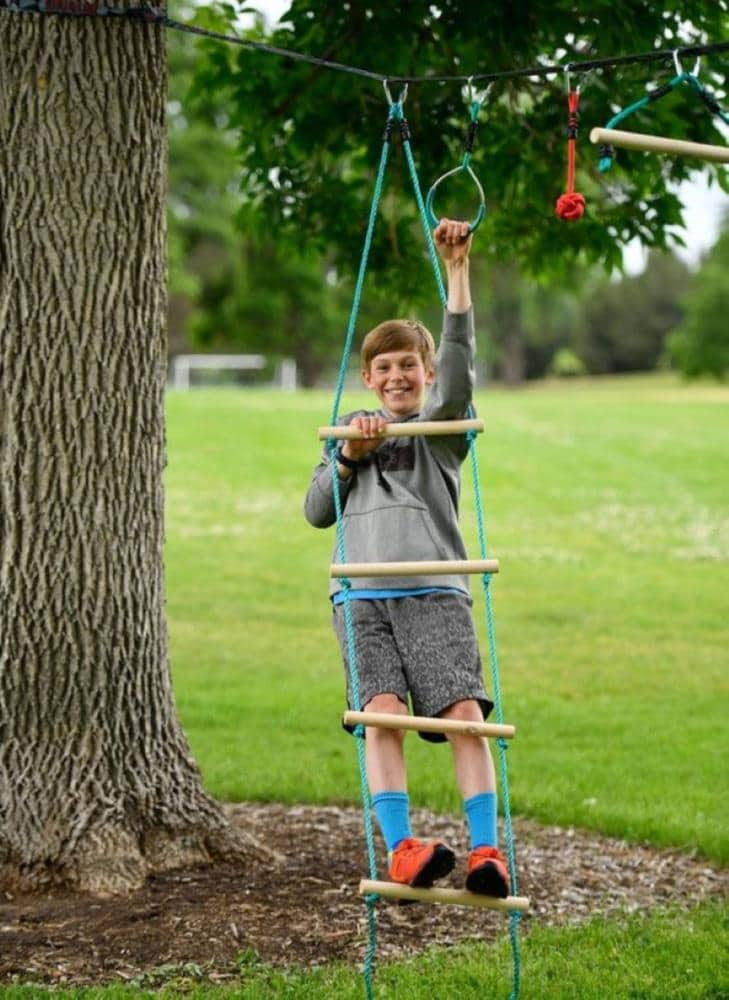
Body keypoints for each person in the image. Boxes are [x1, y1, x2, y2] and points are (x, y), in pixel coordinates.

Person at [304, 218, 509, 897]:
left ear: (424, 376)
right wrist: (347, 457)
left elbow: (458, 374)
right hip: (360, 597)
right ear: (367, 378)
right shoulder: (344, 438)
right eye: (383, 368)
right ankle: (401, 849)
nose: (397, 377)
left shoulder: (439, 431)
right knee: (380, 713)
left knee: (461, 715)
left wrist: (456, 274)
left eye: (408, 367)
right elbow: (314, 510)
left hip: (432, 590)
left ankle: (485, 851)